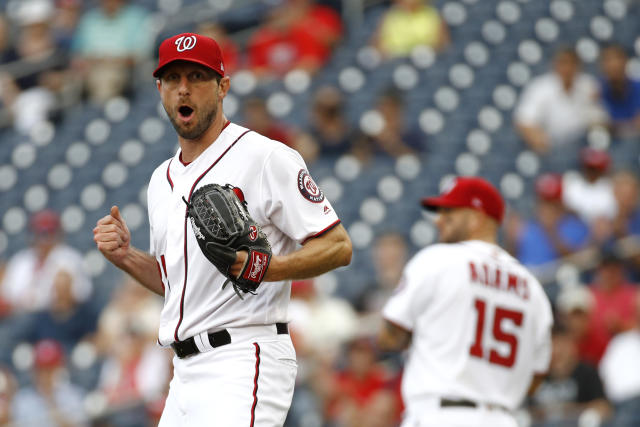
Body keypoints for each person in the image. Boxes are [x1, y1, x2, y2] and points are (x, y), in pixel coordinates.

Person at [93, 32, 352, 426]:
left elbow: (338, 246)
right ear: (159, 89)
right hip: (183, 373)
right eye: (173, 78)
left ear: (223, 86)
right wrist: (126, 257)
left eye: (197, 77)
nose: (184, 89)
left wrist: (269, 268)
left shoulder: (265, 157)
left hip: (243, 355)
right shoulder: (160, 180)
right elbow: (177, 288)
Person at [377, 177, 553, 427]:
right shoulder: (532, 287)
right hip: (502, 419)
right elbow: (536, 378)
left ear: (475, 217)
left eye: (449, 213)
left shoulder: (437, 260)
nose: (439, 220)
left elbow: (389, 336)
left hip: (441, 415)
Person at [514, 48, 605, 154]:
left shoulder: (589, 85)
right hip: (549, 147)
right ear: (555, 65)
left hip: (583, 147)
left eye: (572, 63)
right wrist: (540, 143)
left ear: (579, 67)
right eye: (563, 63)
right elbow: (524, 121)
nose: (567, 68)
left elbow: (600, 119)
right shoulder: (540, 87)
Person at [1, 210, 92, 313]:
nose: (43, 239)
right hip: (20, 316)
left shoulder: (69, 259)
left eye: (48, 233)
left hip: (54, 316)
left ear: (57, 234)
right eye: (39, 233)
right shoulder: (22, 259)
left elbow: (83, 293)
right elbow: (7, 294)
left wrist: (64, 294)